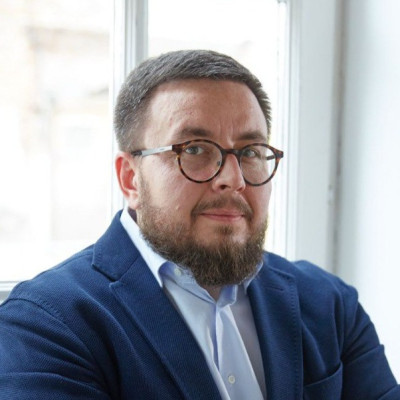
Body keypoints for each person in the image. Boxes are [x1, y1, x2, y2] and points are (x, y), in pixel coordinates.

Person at [0, 50, 398, 400]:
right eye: (194, 149)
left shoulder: (329, 304)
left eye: (251, 152)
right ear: (130, 179)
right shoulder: (46, 324)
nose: (233, 178)